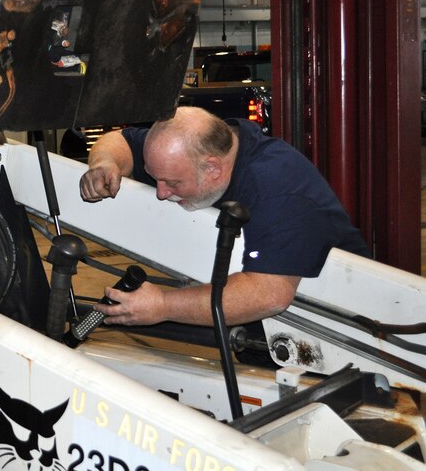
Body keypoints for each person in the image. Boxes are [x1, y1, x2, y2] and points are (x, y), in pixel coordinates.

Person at [79, 106, 369, 327]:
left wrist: (162, 305)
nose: (161, 192)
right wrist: (106, 163)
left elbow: (268, 295)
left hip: (342, 326)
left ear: (213, 169)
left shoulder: (278, 187)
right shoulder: (192, 151)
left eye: (173, 183)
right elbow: (121, 141)